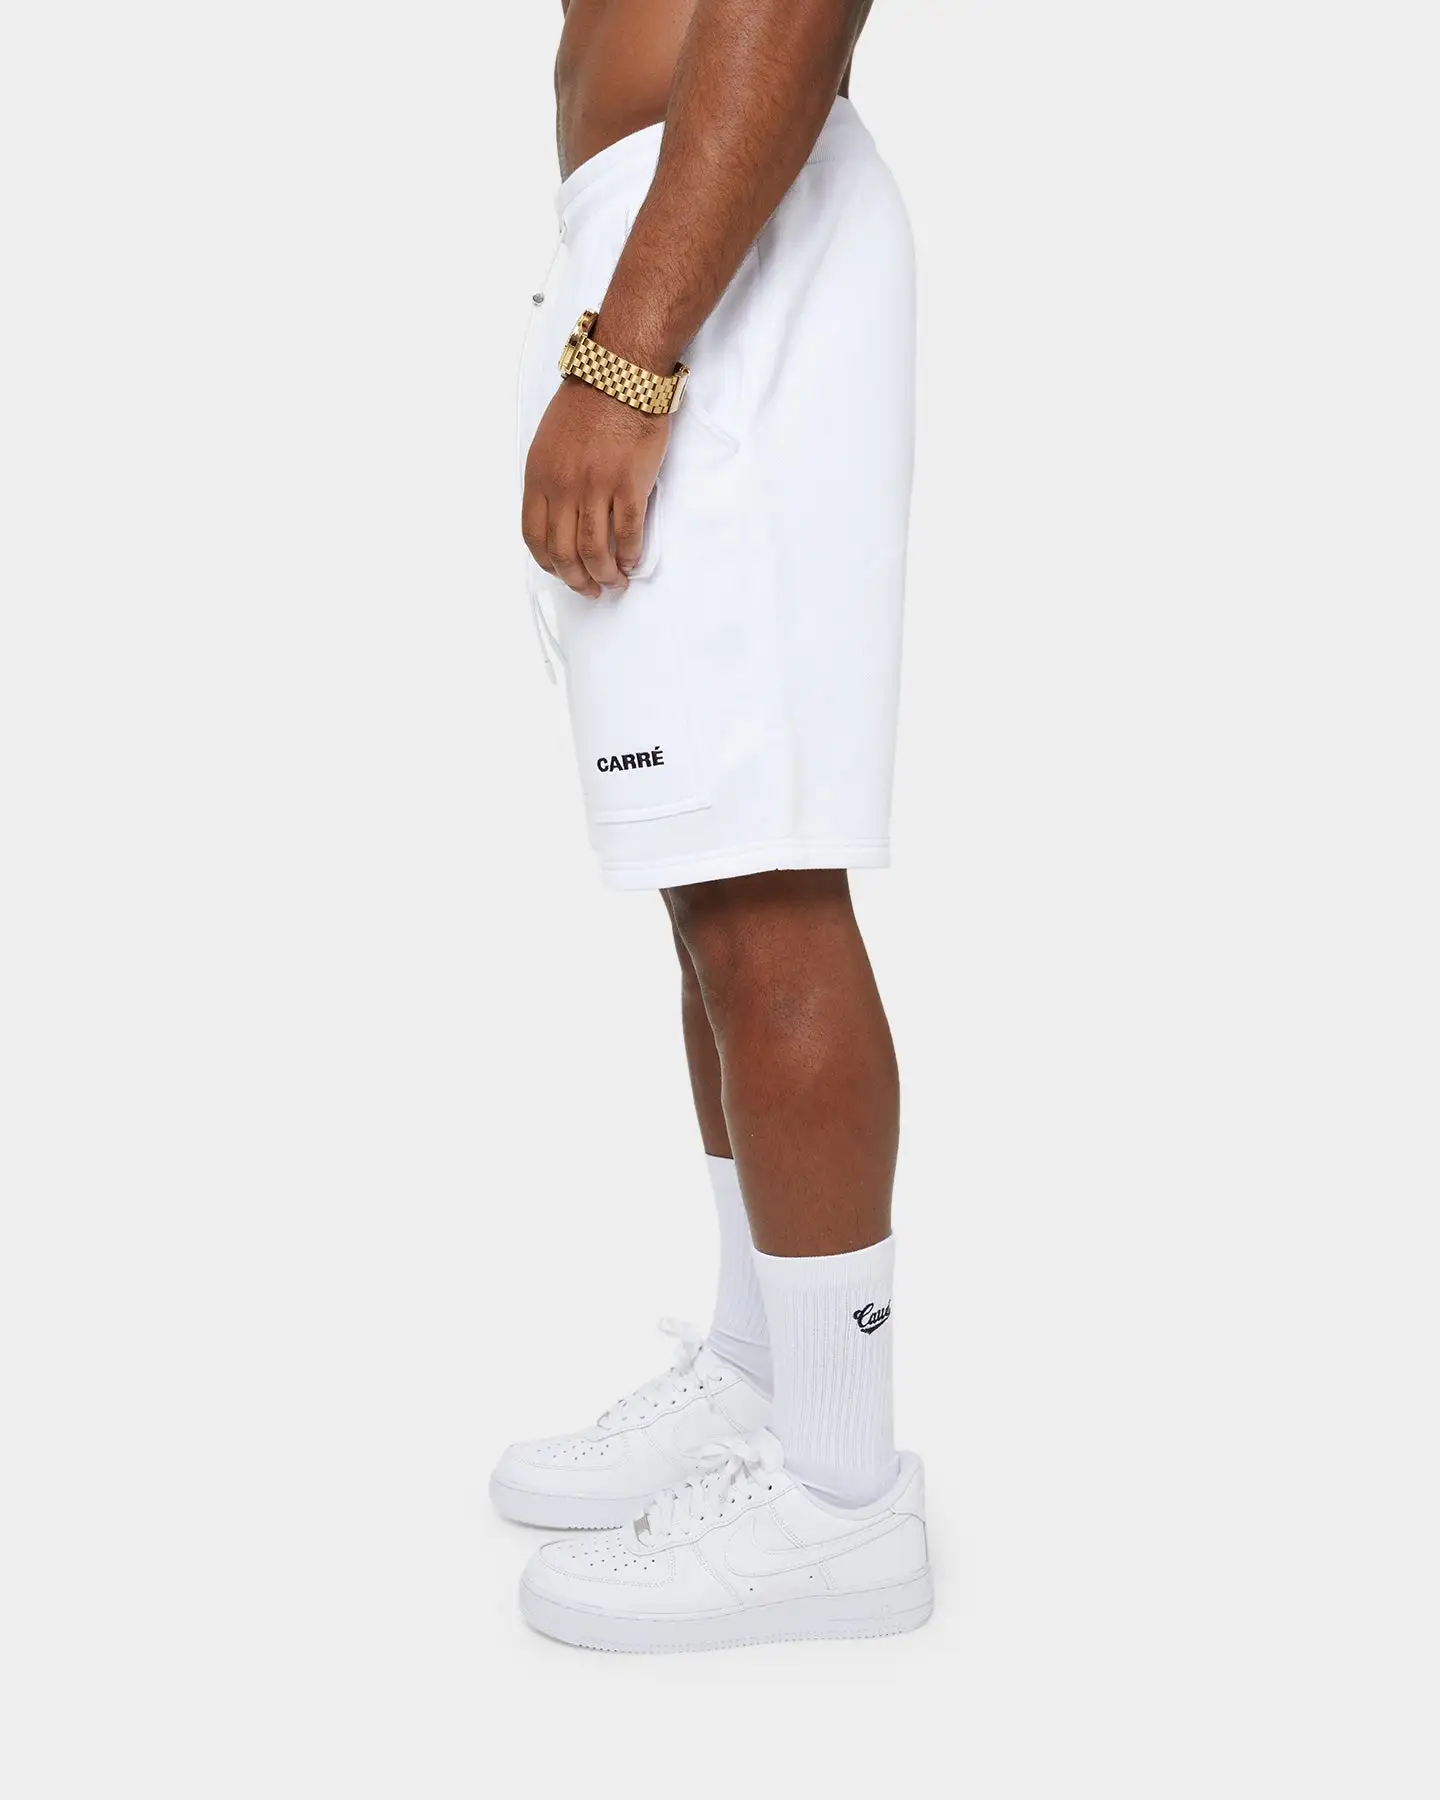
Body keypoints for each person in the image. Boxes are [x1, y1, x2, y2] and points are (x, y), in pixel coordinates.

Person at [494, 0, 930, 1652]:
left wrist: (629, 361)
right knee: (705, 874)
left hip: (714, 259)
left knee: (762, 889)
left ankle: (840, 1494)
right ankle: (765, 1376)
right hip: (671, 245)